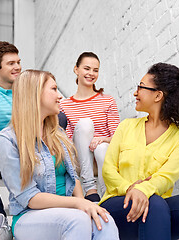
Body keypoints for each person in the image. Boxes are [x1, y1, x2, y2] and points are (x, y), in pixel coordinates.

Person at [0, 70, 119, 240]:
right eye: (53, 89)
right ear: (34, 94)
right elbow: (29, 198)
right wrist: (77, 203)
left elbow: (73, 177)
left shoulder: (57, 133)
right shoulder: (7, 141)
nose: (60, 96)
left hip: (68, 211)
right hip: (29, 215)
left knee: (105, 221)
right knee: (78, 220)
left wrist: (84, 204)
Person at [99, 63, 179, 240]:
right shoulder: (126, 126)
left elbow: (166, 176)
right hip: (118, 207)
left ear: (158, 95)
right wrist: (132, 188)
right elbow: (108, 170)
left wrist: (144, 190)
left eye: (140, 87)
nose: (135, 92)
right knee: (154, 202)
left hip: (157, 214)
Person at [0, 41, 68, 240]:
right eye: (11, 63)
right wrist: (17, 142)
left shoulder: (29, 91)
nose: (18, 67)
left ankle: (59, 195)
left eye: (19, 62)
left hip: (36, 150)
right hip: (3, 155)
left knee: (60, 118)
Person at [60, 52, 120, 202]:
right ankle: (90, 189)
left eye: (95, 70)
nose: (91, 73)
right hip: (81, 159)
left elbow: (118, 137)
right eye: (87, 68)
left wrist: (102, 140)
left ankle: (108, 196)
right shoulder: (64, 105)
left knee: (101, 148)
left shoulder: (108, 101)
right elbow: (66, 140)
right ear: (76, 70)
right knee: (85, 123)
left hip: (104, 155)